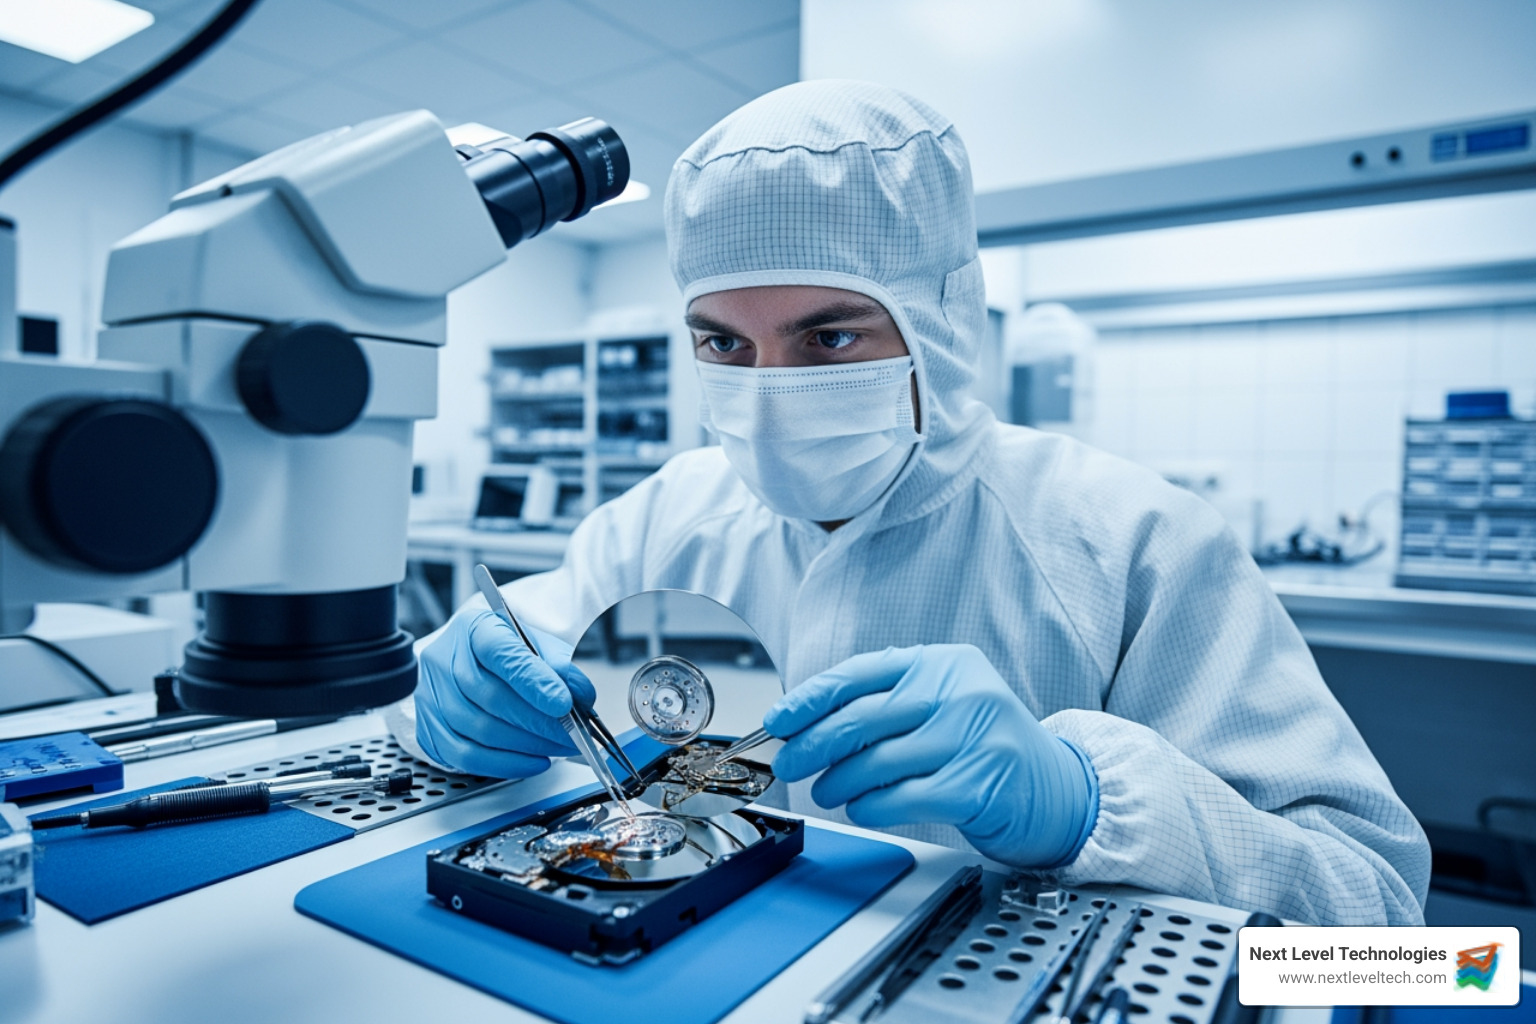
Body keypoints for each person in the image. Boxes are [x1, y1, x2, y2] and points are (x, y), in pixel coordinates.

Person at [398, 80, 1429, 925]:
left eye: (830, 336)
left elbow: (1398, 950)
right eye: (722, 341)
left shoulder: (1133, 542)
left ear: (939, 322)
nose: (765, 392)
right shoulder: (664, 519)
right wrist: (446, 721)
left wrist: (1091, 808)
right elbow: (501, 689)